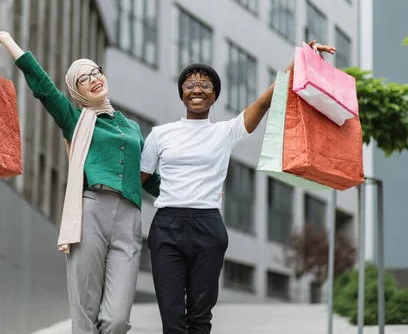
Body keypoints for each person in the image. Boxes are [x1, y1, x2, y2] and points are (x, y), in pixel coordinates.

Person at [140, 41, 336, 333]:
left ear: (214, 96)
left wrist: (302, 59)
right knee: (171, 313)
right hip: (167, 226)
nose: (197, 90)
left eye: (205, 85)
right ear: (181, 92)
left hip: (207, 226)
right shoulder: (159, 135)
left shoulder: (225, 132)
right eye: (190, 84)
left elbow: (266, 101)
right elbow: (139, 180)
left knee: (200, 314)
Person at [0, 30, 160, 334]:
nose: (94, 79)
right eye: (83, 78)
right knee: (85, 314)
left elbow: (150, 178)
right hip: (91, 213)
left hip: (130, 219)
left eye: (96, 72)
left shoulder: (131, 127)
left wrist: (193, 187)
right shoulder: (75, 119)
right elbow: (44, 88)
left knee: (116, 320)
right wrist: (10, 43)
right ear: (77, 91)